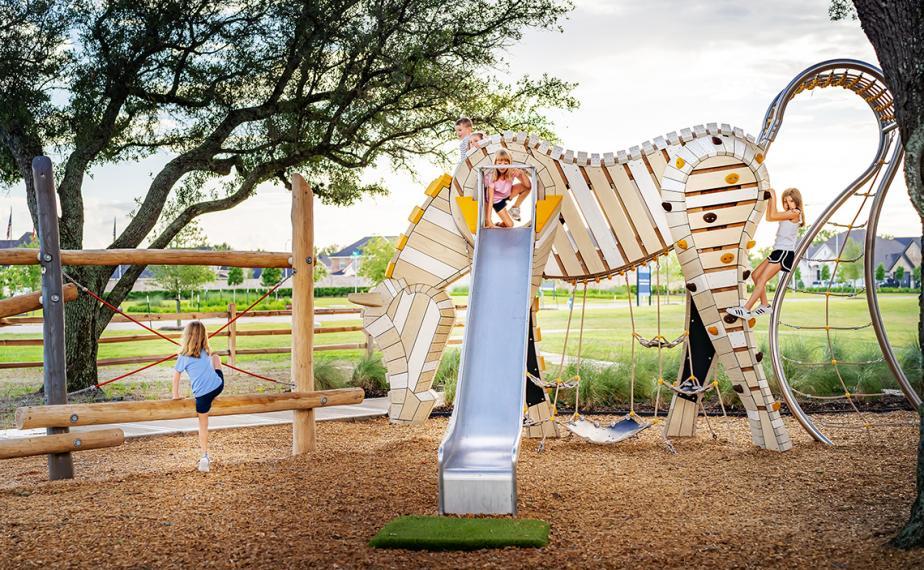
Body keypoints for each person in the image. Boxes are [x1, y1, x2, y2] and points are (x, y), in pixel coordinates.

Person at [727, 187, 806, 319]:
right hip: (777, 251)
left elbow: (773, 215)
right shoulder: (787, 213)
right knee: (755, 275)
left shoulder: (795, 213)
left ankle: (746, 309)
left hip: (784, 253)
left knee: (762, 279)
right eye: (785, 201)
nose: (788, 204)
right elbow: (770, 217)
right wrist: (770, 198)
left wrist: (773, 196)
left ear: (797, 201)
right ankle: (765, 305)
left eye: (791, 201)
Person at [172, 320, 225, 472]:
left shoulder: (183, 356)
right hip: (217, 386)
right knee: (216, 358)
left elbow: (176, 376)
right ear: (204, 336)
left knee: (203, 425)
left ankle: (204, 456)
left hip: (202, 396)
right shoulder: (206, 352)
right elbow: (209, 364)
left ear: (186, 336)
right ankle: (213, 395)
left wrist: (176, 395)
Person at [484, 149, 532, 228]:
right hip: (496, 200)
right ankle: (498, 224)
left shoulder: (511, 172)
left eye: (506, 163)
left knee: (526, 187)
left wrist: (522, 173)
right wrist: (488, 220)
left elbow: (528, 186)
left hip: (507, 193)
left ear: (510, 164)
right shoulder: (492, 177)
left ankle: (515, 208)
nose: (503, 166)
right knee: (510, 225)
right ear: (495, 163)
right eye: (499, 163)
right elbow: (491, 199)